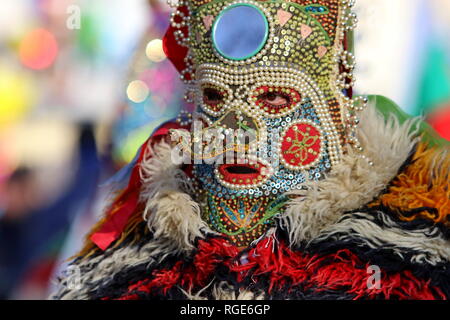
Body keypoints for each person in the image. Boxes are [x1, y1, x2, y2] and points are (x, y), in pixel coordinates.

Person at [52, 0, 450, 300]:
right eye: (215, 97)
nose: (238, 131)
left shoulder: (405, 253)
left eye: (275, 97)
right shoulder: (142, 256)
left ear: (334, 106)